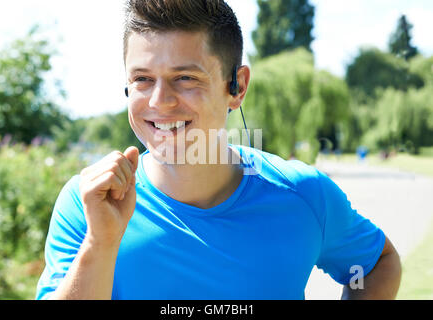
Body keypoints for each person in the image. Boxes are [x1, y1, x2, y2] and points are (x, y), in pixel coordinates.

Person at [36, 0, 401, 300]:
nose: (160, 102)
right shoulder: (89, 205)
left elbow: (371, 266)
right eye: (143, 79)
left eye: (186, 78)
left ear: (237, 87)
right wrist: (100, 244)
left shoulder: (303, 194)